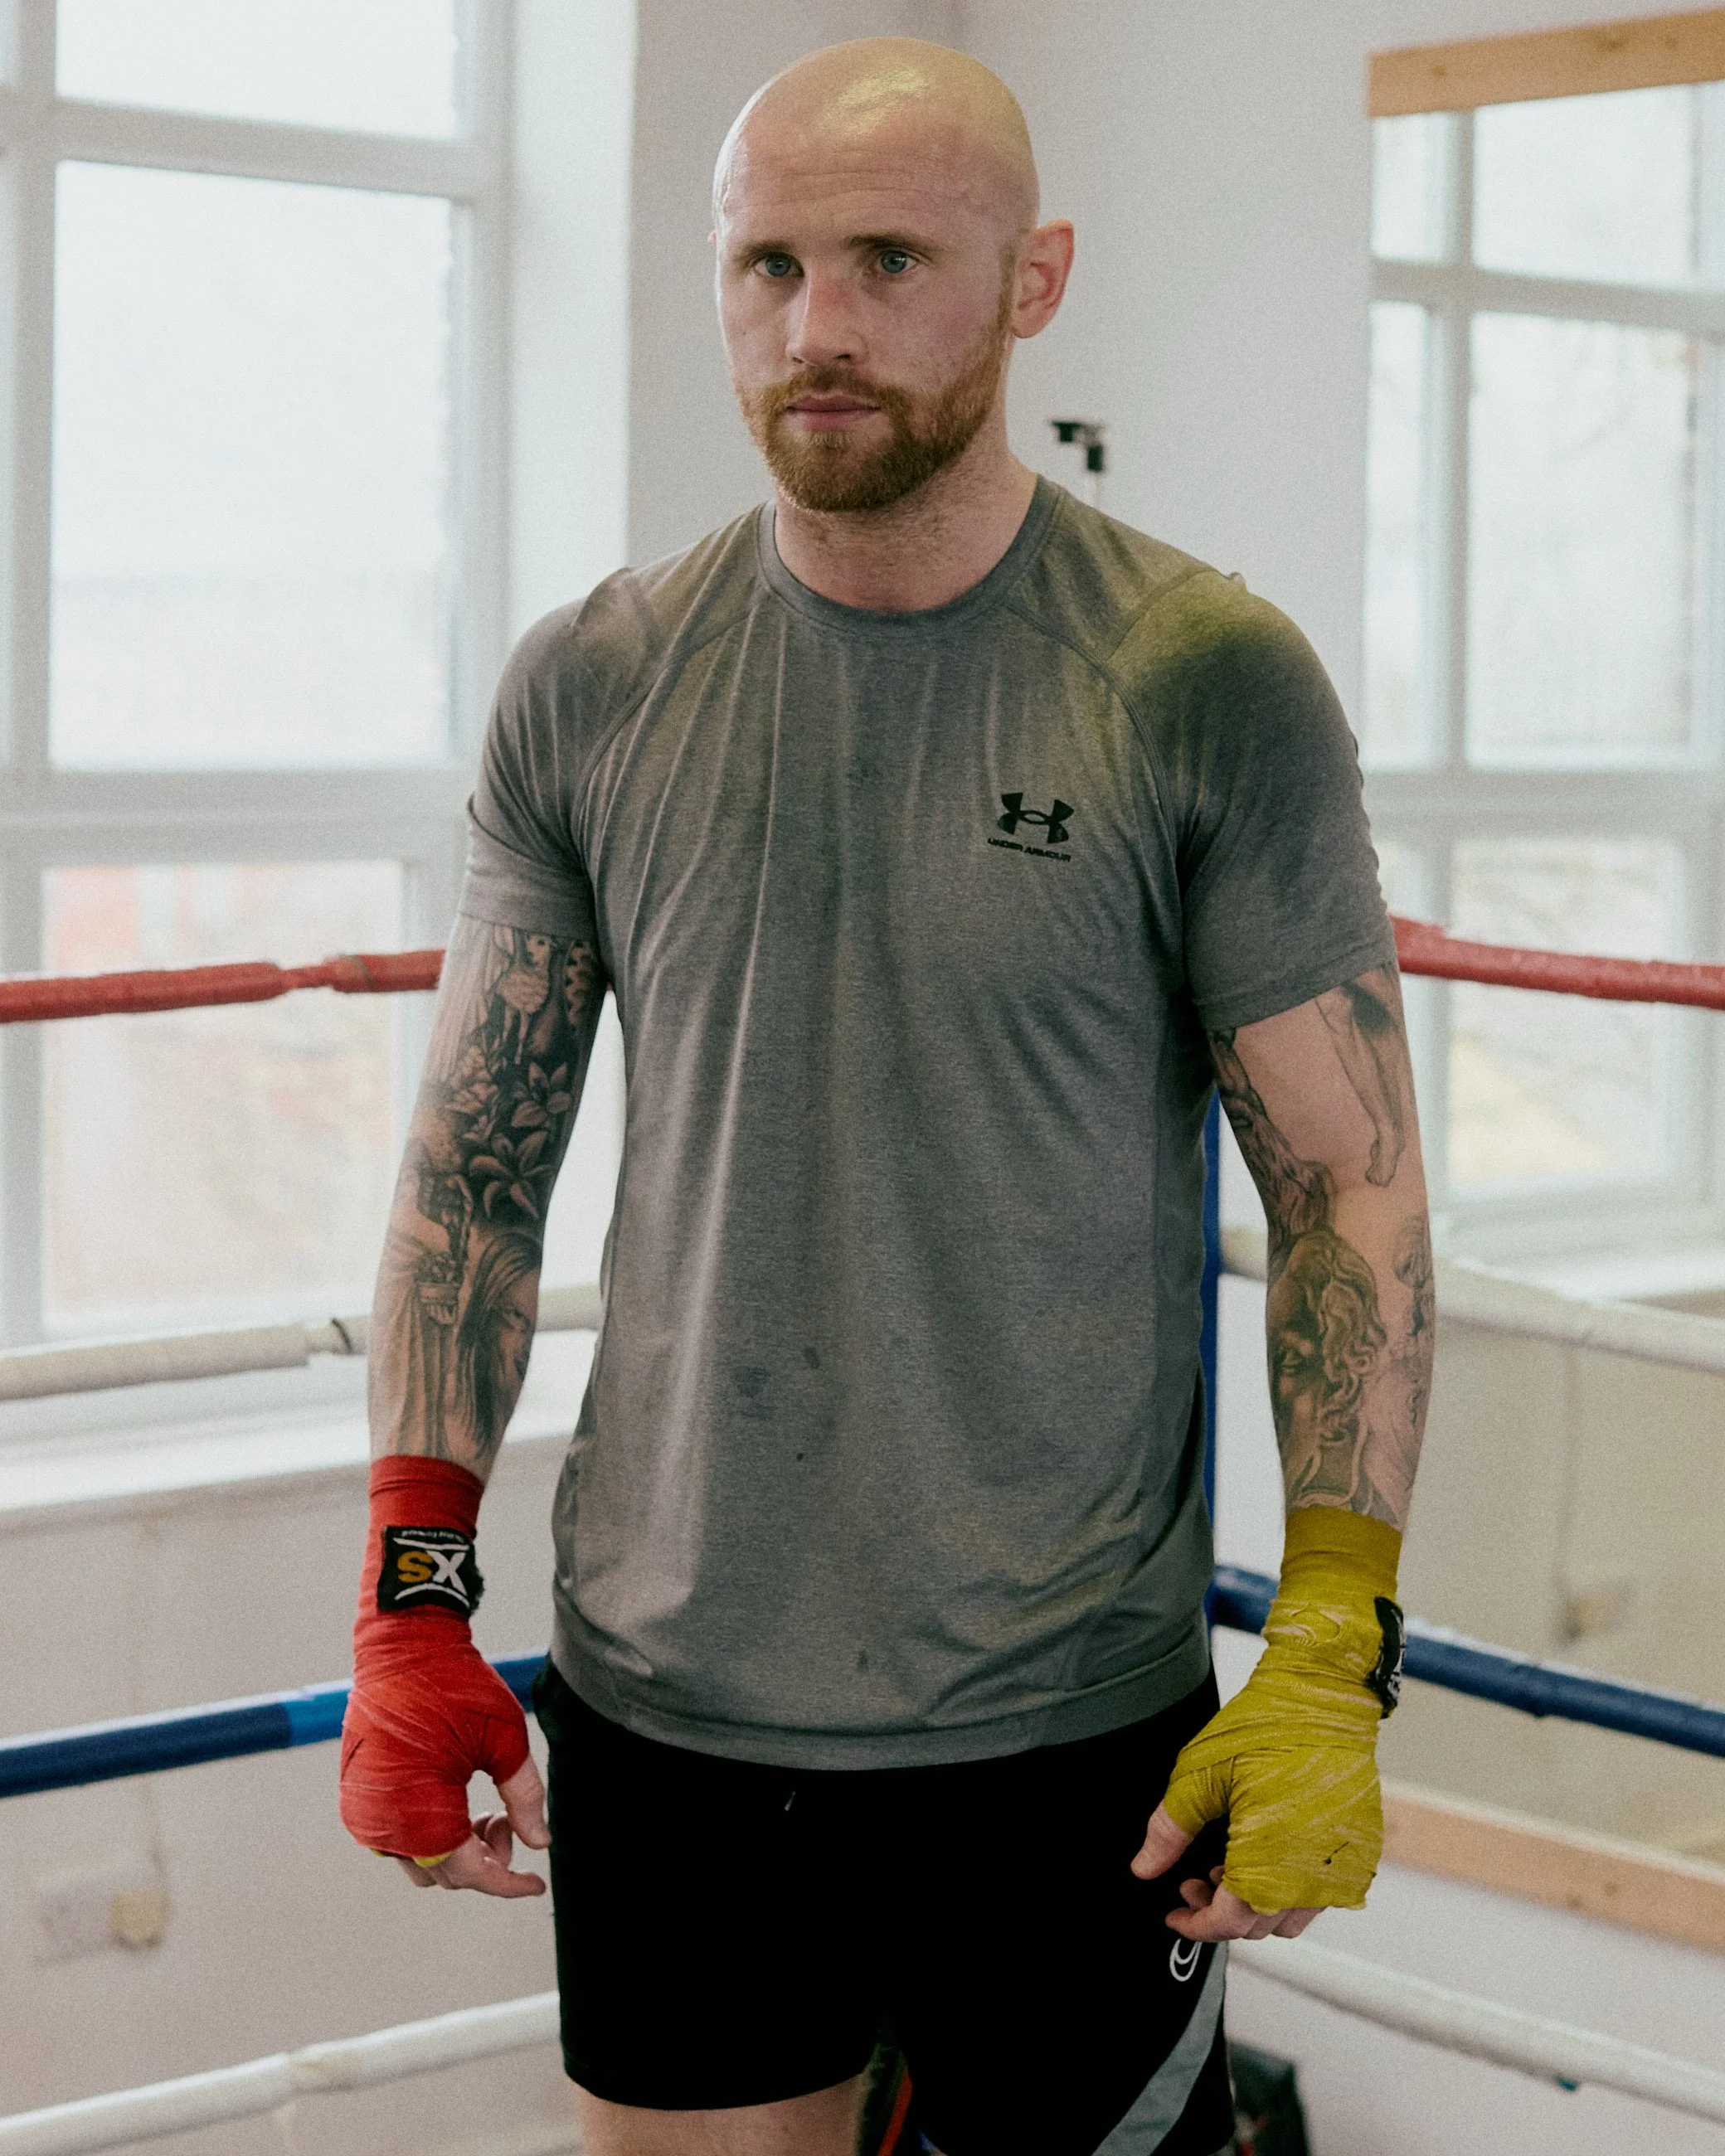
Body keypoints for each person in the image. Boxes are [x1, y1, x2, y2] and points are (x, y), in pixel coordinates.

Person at [338, 36, 1432, 2156]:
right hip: (670, 1700)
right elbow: (473, 1172)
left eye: (886, 262)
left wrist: (1328, 1641)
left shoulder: (1197, 679)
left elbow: (1343, 1188)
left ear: (1033, 280)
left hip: (1067, 1730)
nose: (813, 326)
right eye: (765, 265)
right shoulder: (595, 681)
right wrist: (412, 1593)